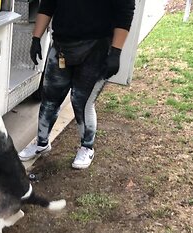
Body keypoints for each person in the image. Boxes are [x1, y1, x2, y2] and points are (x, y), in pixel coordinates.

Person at [18, 0, 135, 169]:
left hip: (97, 48)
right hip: (61, 46)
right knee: (49, 99)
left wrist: (116, 51)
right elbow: (47, 5)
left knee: (82, 102)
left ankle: (87, 147)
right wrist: (36, 38)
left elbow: (125, 13)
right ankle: (41, 143)